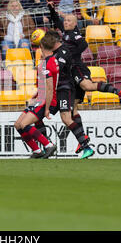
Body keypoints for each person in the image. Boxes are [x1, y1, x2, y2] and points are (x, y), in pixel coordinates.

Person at [49, 7, 121, 155]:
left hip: (77, 68)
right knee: (73, 108)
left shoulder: (75, 35)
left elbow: (84, 45)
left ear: (74, 24)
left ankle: (118, 91)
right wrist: (51, 9)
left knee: (86, 85)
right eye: (65, 20)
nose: (65, 22)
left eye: (68, 21)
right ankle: (82, 140)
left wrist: (69, 55)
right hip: (70, 72)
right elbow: (56, 20)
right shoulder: (66, 32)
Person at [48, 29, 94, 159]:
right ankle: (45, 146)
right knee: (38, 116)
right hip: (57, 90)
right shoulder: (55, 53)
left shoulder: (63, 52)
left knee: (66, 118)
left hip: (64, 89)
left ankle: (85, 146)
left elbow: (58, 70)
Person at [14, 32, 58, 159]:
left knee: (24, 124)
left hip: (45, 100)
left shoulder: (47, 64)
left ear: (42, 48)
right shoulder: (49, 61)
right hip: (39, 99)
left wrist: (47, 108)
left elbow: (50, 88)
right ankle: (37, 150)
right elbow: (45, 86)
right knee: (18, 124)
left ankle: (49, 145)